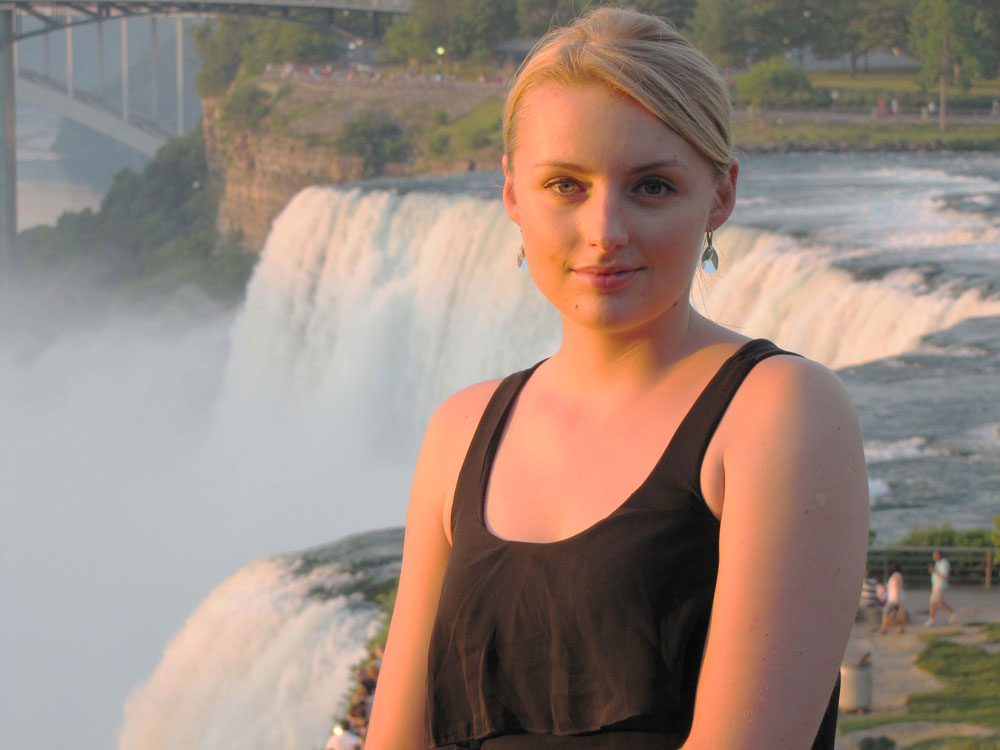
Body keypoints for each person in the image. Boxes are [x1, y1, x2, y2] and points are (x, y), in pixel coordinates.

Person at [365, 8, 869, 750]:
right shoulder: (461, 432)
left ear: (720, 195)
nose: (605, 231)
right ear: (512, 194)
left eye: (652, 187)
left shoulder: (776, 412)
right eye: (566, 185)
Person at [926, 548, 958, 626]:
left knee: (934, 602)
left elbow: (944, 576)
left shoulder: (944, 563)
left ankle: (932, 619)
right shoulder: (938, 563)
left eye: (935, 555)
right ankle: (953, 614)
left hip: (940, 585)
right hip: (936, 585)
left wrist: (934, 571)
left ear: (939, 555)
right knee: (938, 602)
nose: (934, 557)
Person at [879, 564, 907, 635]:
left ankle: (884, 629)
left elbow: (896, 587)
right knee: (897, 614)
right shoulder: (898, 575)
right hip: (895, 598)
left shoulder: (896, 576)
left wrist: (897, 599)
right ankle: (901, 628)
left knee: (885, 612)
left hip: (894, 599)